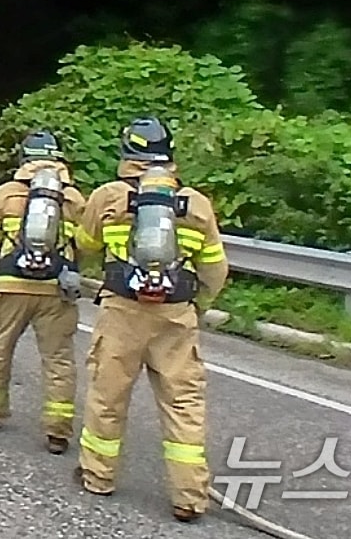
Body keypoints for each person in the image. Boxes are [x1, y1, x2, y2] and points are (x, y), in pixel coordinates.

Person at [73, 116, 229, 523]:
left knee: (108, 396)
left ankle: (97, 475)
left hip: (122, 312)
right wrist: (198, 305)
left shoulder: (108, 196)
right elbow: (215, 270)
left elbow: (84, 245)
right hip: (176, 317)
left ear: (128, 154)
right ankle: (189, 497)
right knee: (183, 403)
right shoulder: (195, 204)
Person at [0, 130, 86, 454]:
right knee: (58, 358)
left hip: (12, 283)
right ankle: (58, 430)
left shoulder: (7, 193)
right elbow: (86, 243)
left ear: (25, 159)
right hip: (56, 289)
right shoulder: (73, 198)